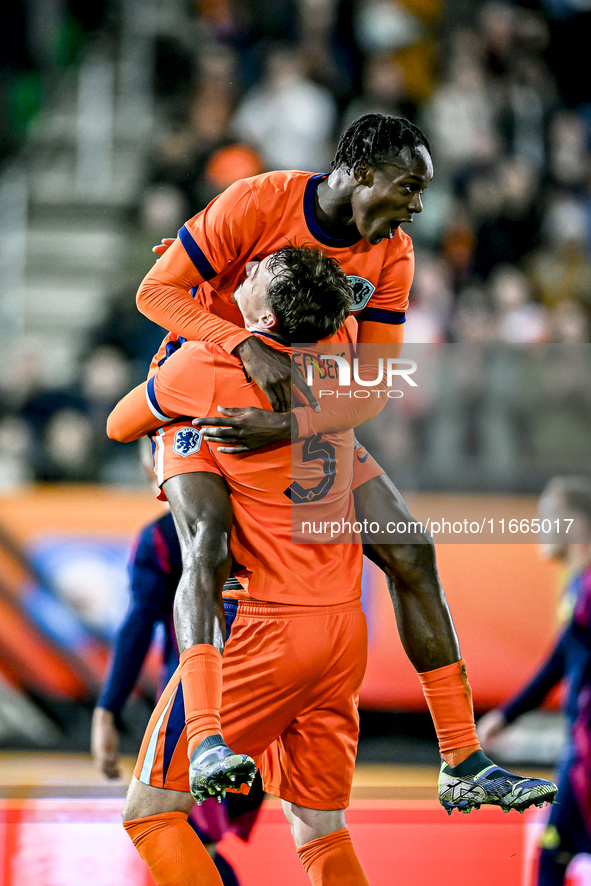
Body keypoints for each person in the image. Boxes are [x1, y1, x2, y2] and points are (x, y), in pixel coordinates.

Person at [133, 113, 556, 810]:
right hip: (202, 403)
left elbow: (376, 385)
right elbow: (155, 291)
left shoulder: (393, 253)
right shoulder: (255, 202)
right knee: (207, 549)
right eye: (407, 186)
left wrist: (290, 426)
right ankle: (206, 735)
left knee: (411, 551)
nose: (415, 205)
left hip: (297, 416)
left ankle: (461, 758)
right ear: (360, 173)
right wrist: (240, 344)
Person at [114, 243, 382, 885]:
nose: (250, 265)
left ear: (263, 320)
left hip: (258, 628)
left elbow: (120, 422)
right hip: (342, 626)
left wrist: (196, 366)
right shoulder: (337, 359)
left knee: (151, 815)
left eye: (261, 269)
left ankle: (206, 735)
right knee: (319, 827)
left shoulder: (209, 365)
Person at [91, 507, 263, 886]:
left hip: (199, 706)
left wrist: (107, 709)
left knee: (171, 828)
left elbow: (139, 622)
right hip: (268, 697)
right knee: (319, 828)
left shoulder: (162, 536)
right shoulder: (264, 518)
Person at [478, 477, 591, 884]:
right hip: (580, 748)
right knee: (556, 856)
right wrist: (506, 715)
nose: (541, 527)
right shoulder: (578, 586)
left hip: (586, 753)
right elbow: (560, 661)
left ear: (575, 523)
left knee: (552, 860)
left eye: (549, 517)